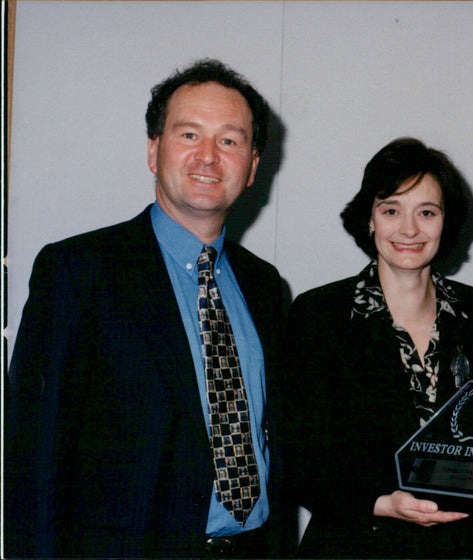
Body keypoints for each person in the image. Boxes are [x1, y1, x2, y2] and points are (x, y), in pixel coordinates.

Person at [4, 59, 288, 558]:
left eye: (229, 140)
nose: (208, 156)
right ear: (154, 150)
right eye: (189, 135)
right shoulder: (80, 271)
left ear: (252, 166)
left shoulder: (265, 285)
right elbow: (32, 456)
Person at [281, 137, 473, 558]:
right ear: (369, 219)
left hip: (461, 548)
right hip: (352, 546)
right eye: (391, 210)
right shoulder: (318, 315)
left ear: (446, 221)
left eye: (427, 212)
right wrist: (381, 503)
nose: (409, 230)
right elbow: (295, 456)